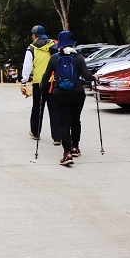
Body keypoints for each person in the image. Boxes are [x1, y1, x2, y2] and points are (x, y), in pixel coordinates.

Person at [41, 30, 93, 166]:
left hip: (60, 94)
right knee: (76, 120)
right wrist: (95, 78)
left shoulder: (54, 58)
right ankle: (75, 147)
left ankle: (67, 153)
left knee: (64, 123)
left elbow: (45, 79)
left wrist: (42, 86)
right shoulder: (79, 58)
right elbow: (87, 76)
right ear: (72, 43)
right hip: (77, 93)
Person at [19, 25, 60, 145]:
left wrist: (23, 82)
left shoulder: (31, 48)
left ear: (33, 35)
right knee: (54, 109)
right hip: (53, 82)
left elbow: (27, 66)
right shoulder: (53, 45)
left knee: (38, 107)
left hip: (39, 83)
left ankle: (35, 132)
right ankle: (57, 137)